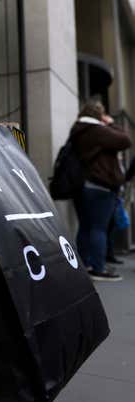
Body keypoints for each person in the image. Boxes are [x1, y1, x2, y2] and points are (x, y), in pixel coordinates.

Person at [72, 100, 132, 282]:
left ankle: (82, 265)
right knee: (99, 228)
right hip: (100, 186)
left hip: (85, 186)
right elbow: (125, 140)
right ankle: (98, 268)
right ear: (98, 115)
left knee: (86, 227)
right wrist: (111, 123)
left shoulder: (78, 129)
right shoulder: (97, 131)